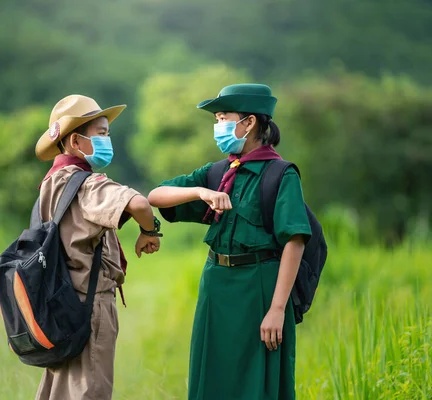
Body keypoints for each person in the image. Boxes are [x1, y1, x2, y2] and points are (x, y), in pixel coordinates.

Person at [147, 84, 311, 400]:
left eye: (223, 118)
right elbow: (156, 195)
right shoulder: (218, 172)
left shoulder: (280, 174)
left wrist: (277, 309)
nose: (217, 126)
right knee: (212, 377)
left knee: (258, 382)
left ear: (248, 123)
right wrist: (200, 192)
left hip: (259, 289)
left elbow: (295, 241)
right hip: (216, 287)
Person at [34, 94, 162, 400]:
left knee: (61, 391)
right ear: (77, 142)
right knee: (90, 391)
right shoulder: (87, 183)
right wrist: (149, 230)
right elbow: (140, 203)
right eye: (101, 133)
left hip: (60, 302)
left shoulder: (51, 182)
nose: (108, 140)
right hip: (89, 305)